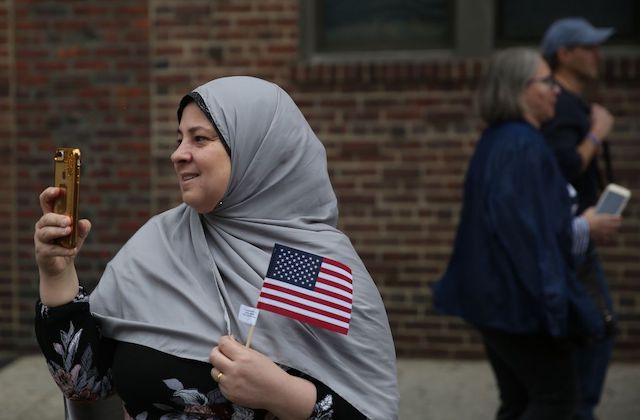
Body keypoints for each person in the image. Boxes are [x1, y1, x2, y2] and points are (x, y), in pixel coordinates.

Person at [34, 76, 399, 419]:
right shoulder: (159, 242)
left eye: (200, 139)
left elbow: (370, 411)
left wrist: (284, 393)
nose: (178, 154)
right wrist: (56, 273)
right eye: (179, 139)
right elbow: (84, 384)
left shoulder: (304, 266)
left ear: (257, 152)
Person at [432, 48, 617, 420]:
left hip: (498, 302)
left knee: (519, 401)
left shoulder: (501, 140)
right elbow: (531, 239)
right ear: (518, 89)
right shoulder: (521, 146)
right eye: (546, 81)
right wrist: (588, 227)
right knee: (557, 400)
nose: (556, 90)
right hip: (519, 306)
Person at [540, 17, 622, 420]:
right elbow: (564, 165)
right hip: (571, 238)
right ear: (564, 54)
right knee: (596, 331)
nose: (597, 55)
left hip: (578, 234)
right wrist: (596, 133)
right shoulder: (561, 107)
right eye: (587, 47)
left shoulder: (571, 103)